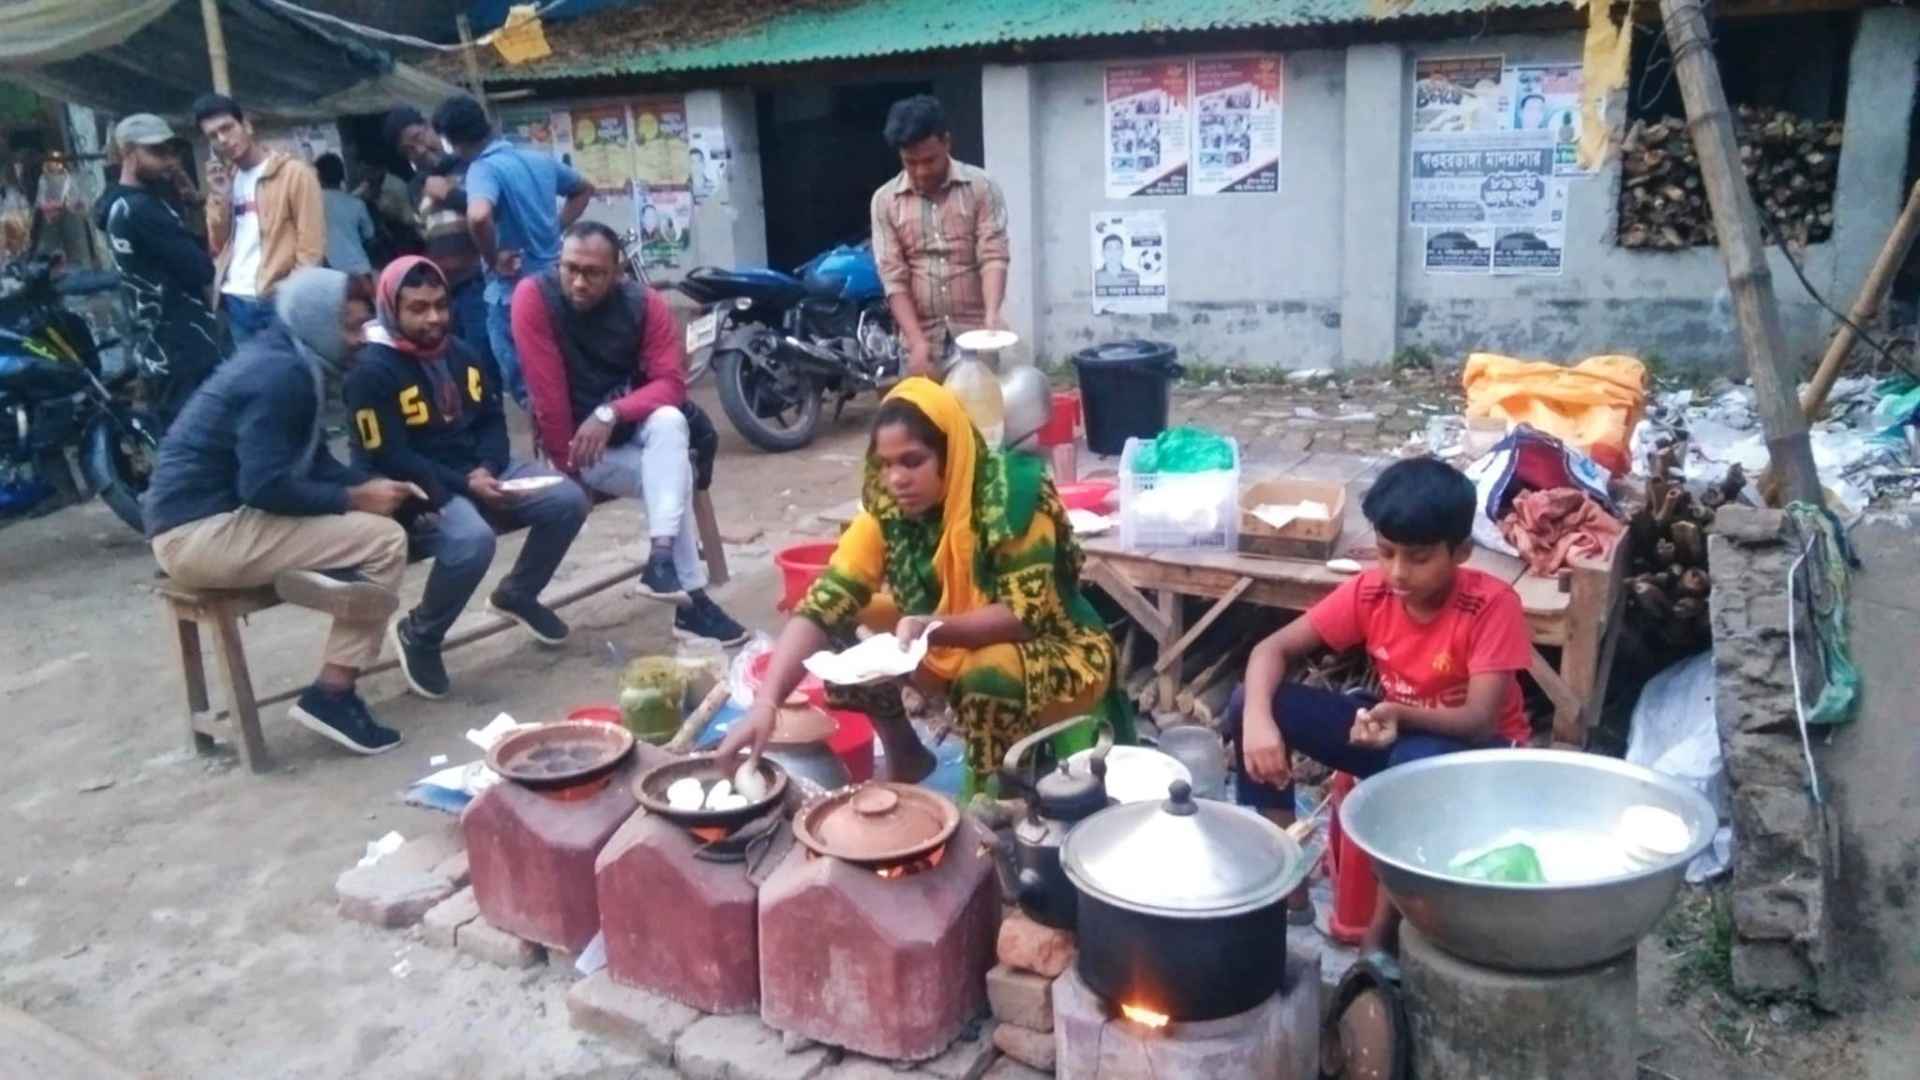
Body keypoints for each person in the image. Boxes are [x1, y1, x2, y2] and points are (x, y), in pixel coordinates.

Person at [718, 378, 1117, 793]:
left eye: (912, 461)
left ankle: (995, 795)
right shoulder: (889, 512)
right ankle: (906, 754)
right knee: (840, 619)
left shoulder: (1011, 500)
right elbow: (824, 601)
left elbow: (1022, 617)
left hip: (1056, 646)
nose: (896, 479)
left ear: (950, 454)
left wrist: (934, 628)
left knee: (989, 672)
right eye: (886, 464)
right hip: (944, 635)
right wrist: (766, 704)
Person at [1227, 457, 1534, 954]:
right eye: (1386, 552)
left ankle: (1379, 939)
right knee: (1251, 701)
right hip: (1392, 731)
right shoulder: (1371, 592)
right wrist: (1259, 722)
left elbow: (1480, 723)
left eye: (1417, 558)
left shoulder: (1492, 606)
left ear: (1460, 552)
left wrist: (1400, 714)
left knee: (1411, 768)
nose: (1397, 572)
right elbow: (1271, 650)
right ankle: (1286, 887)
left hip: (1480, 757)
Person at [144, 267, 423, 755]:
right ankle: (333, 691)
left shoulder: (292, 360)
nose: (362, 339)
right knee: (384, 541)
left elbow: (309, 464)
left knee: (377, 525)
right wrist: (353, 500)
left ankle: (332, 581)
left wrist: (373, 486)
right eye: (352, 327)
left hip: (214, 525)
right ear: (318, 323)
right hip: (199, 535)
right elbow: (265, 485)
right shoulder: (283, 375)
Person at [347, 256, 590, 698]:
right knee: (471, 540)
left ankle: (517, 593)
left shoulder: (461, 353)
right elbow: (389, 454)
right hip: (416, 484)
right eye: (417, 308)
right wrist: (466, 485)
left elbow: (491, 422)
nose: (434, 317)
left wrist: (488, 468)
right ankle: (421, 633)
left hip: (475, 469)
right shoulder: (371, 370)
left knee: (568, 499)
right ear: (391, 308)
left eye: (440, 304)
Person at [511, 222, 747, 646]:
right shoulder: (535, 298)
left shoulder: (644, 304)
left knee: (672, 423)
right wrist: (568, 467)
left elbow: (671, 385)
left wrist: (609, 413)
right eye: (571, 268)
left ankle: (661, 561)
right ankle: (689, 601)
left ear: (617, 271)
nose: (579, 282)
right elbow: (547, 397)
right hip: (577, 450)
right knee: (676, 473)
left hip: (631, 430)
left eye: (593, 273)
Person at [434, 94, 593, 406]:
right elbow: (584, 188)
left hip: (513, 295)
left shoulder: (483, 170)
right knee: (563, 374)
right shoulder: (537, 159)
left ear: (452, 142)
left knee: (531, 391)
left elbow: (478, 215)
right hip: (556, 283)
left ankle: (556, 446)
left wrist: (492, 258)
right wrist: (556, 227)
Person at [870, 95, 1010, 379]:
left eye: (929, 160)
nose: (921, 171)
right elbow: (893, 277)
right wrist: (917, 342)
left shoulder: (982, 188)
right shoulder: (884, 201)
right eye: (911, 162)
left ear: (946, 142)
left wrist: (992, 314)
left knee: (980, 419)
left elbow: (993, 255)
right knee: (927, 421)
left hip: (976, 337)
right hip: (921, 342)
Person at [94, 114, 220, 428]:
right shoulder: (142, 210)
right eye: (157, 152)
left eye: (171, 152)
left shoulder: (118, 205)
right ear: (129, 152)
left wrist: (187, 199)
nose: (170, 161)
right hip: (182, 346)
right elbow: (201, 269)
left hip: (156, 345)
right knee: (202, 445)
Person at [194, 93, 325, 343]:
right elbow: (217, 245)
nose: (223, 139)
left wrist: (290, 295)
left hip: (276, 300)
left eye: (227, 128)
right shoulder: (226, 180)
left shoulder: (294, 174)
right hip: (236, 300)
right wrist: (222, 197)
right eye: (213, 135)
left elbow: (311, 248)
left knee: (289, 378)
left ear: (247, 125)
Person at [383, 107, 489, 370]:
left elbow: (492, 212)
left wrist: (449, 195)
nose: (419, 150)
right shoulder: (416, 187)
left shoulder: (471, 166)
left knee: (486, 363)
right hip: (446, 294)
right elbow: (425, 236)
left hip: (481, 283)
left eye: (419, 137)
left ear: (431, 127)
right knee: (461, 365)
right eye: (409, 149)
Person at [315, 153, 373, 277]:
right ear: (342, 175)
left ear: (318, 176)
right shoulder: (357, 204)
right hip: (360, 270)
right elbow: (369, 234)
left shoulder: (310, 204)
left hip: (329, 273)